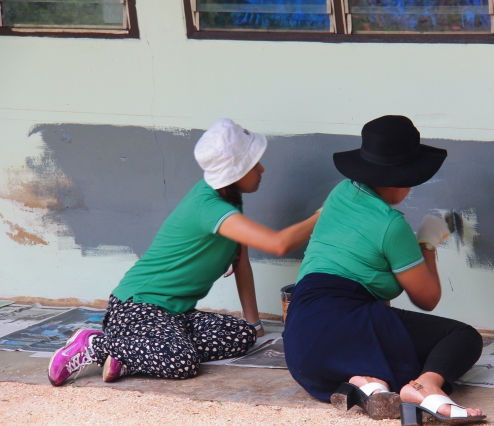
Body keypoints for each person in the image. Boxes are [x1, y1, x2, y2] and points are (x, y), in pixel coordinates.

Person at [48, 119, 319, 386]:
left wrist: (255, 324)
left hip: (176, 315)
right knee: (182, 361)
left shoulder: (229, 201)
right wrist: (324, 212)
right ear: (235, 173)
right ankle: (95, 345)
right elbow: (278, 244)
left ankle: (132, 356)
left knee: (242, 335)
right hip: (138, 307)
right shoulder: (210, 207)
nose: (262, 169)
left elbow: (242, 264)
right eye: (254, 164)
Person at [283, 115, 486, 425]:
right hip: (345, 322)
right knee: (463, 337)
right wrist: (427, 245)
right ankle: (424, 387)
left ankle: (366, 383)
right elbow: (427, 298)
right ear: (403, 178)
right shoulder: (392, 226)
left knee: (383, 336)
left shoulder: (340, 193)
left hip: (302, 347)